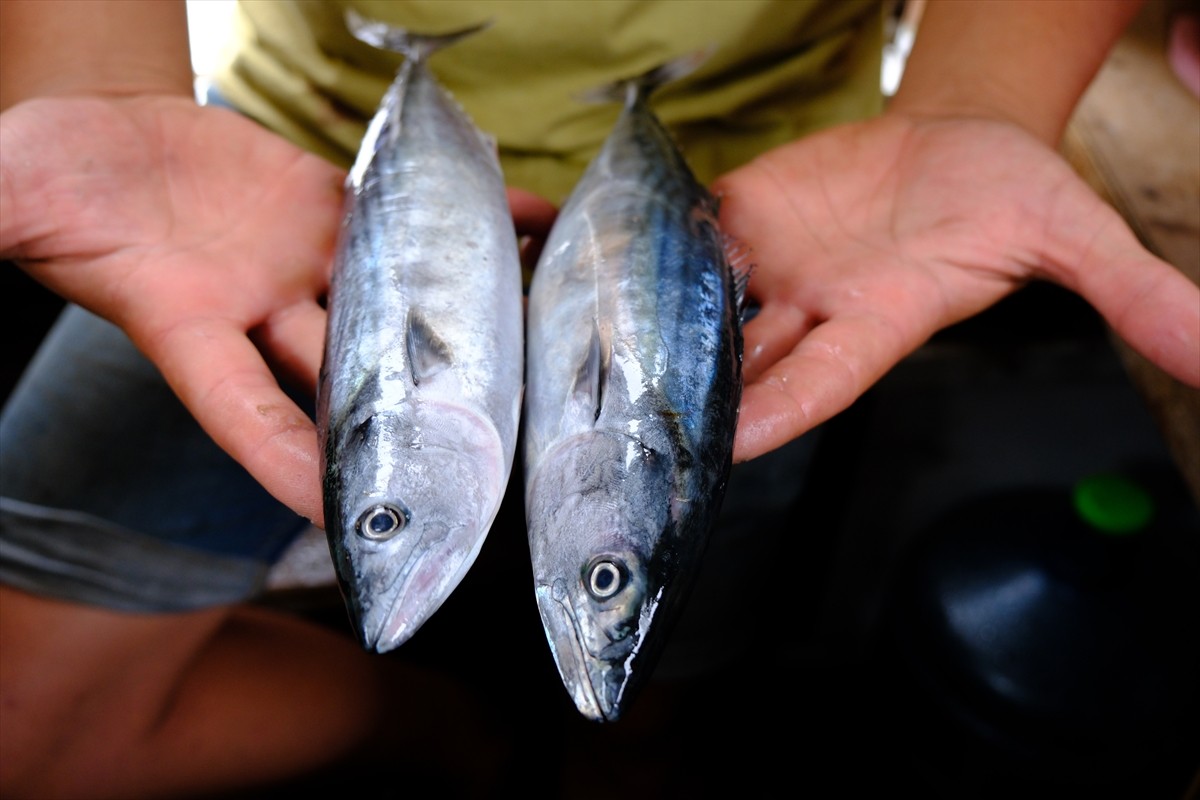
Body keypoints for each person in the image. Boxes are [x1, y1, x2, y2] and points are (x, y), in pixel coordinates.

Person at [1, 1, 1197, 797]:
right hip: (257, 186)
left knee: (662, 674)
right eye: (602, 573)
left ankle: (603, 747)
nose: (600, 571)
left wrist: (982, 101)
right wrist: (90, 71)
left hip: (785, 224)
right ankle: (460, 735)